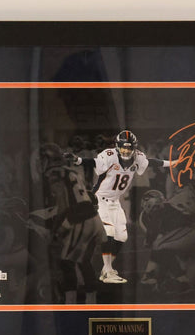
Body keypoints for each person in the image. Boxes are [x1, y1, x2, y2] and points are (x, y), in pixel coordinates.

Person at [64, 130, 174, 284]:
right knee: (108, 233)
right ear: (117, 146)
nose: (126, 150)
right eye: (123, 147)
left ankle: (105, 268)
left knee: (122, 237)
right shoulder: (109, 156)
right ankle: (102, 269)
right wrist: (78, 160)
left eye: (129, 147)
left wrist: (172, 163)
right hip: (101, 199)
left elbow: (152, 162)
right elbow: (93, 162)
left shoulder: (137, 157)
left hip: (115, 201)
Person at [40, 143, 106, 304]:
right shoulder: (72, 171)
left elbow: (63, 205)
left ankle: (71, 302)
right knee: (82, 261)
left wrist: (55, 229)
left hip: (79, 218)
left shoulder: (55, 174)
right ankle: (90, 301)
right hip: (91, 216)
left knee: (66, 262)